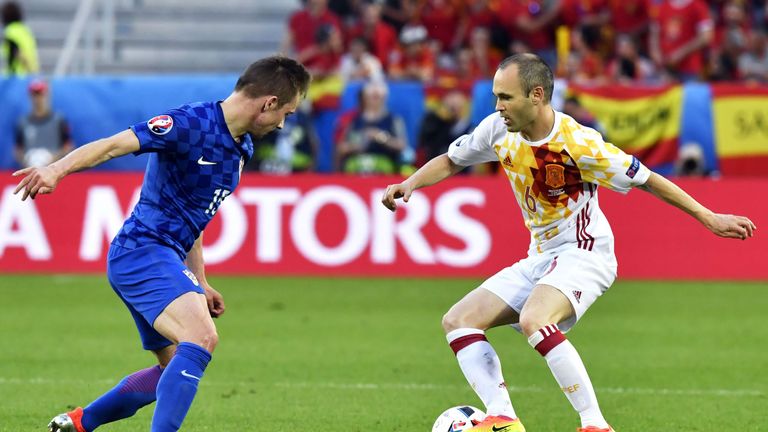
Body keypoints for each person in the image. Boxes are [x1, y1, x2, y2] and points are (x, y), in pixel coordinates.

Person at [381, 53, 756, 432]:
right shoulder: (497, 129)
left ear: (537, 95)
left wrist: (709, 216)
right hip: (541, 257)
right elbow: (452, 159)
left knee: (534, 318)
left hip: (586, 252)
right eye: (496, 96)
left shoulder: (579, 144)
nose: (498, 106)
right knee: (459, 320)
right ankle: (503, 418)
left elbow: (647, 179)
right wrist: (410, 183)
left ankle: (595, 425)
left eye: (506, 97)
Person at [13, 56, 310, 432]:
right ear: (268, 103)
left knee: (172, 370)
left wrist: (199, 280)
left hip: (164, 256)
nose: (284, 123)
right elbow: (113, 145)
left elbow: (196, 215)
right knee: (201, 338)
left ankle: (78, 422)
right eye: (286, 112)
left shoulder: (243, 147)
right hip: (143, 250)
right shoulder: (188, 124)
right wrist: (56, 169)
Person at [14, 79, 74, 168]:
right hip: (31, 169)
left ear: (47, 95)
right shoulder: (23, 122)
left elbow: (68, 146)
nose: (37, 99)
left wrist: (52, 159)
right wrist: (27, 161)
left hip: (53, 170)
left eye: (40, 94)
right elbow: (18, 149)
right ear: (30, 96)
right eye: (34, 95)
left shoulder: (59, 120)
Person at [1, 1, 39, 75]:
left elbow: (18, 52)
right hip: (28, 75)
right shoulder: (25, 30)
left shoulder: (11, 31)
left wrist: (29, 70)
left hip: (17, 76)